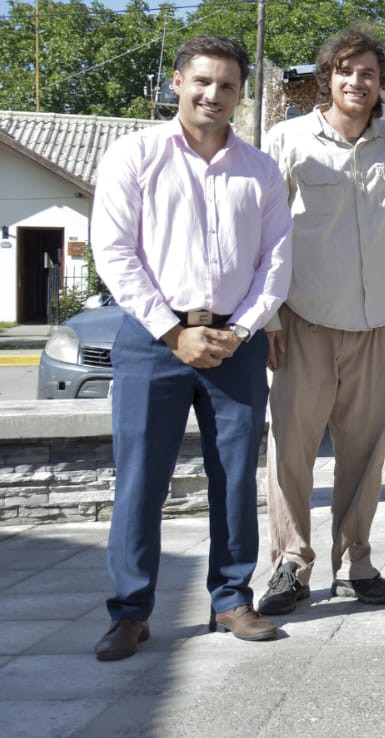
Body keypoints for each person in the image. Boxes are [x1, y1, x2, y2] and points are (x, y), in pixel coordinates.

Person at [90, 35, 291, 659]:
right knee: (141, 480)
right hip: (154, 340)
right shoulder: (136, 154)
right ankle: (130, 611)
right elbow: (115, 253)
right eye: (202, 81)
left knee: (234, 480)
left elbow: (277, 262)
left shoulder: (259, 170)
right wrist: (174, 333)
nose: (214, 94)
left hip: (236, 342)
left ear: (240, 95)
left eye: (228, 85)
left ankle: (231, 600)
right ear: (177, 83)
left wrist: (241, 329)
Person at [259, 24, 385, 613]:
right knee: (291, 452)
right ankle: (291, 564)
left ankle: (357, 561)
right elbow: (263, 233)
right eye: (345, 70)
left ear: (380, 83)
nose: (356, 81)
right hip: (303, 323)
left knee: (367, 452)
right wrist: (268, 315)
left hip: (373, 326)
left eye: (367, 72)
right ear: (329, 76)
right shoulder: (287, 140)